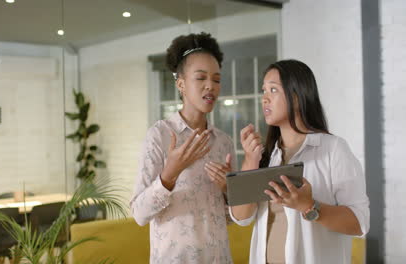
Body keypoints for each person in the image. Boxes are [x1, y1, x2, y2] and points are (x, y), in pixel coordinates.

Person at [208, 59, 370, 264]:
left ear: (296, 96)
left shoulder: (333, 149)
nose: (264, 98)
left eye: (273, 90)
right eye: (263, 90)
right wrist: (250, 160)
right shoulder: (269, 156)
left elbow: (359, 222)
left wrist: (309, 206)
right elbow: (242, 218)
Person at [130, 32, 235, 264]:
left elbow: (229, 218)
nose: (211, 86)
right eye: (201, 78)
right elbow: (139, 214)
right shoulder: (159, 136)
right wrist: (170, 174)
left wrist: (229, 189)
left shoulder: (224, 142)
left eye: (216, 80)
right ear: (181, 84)